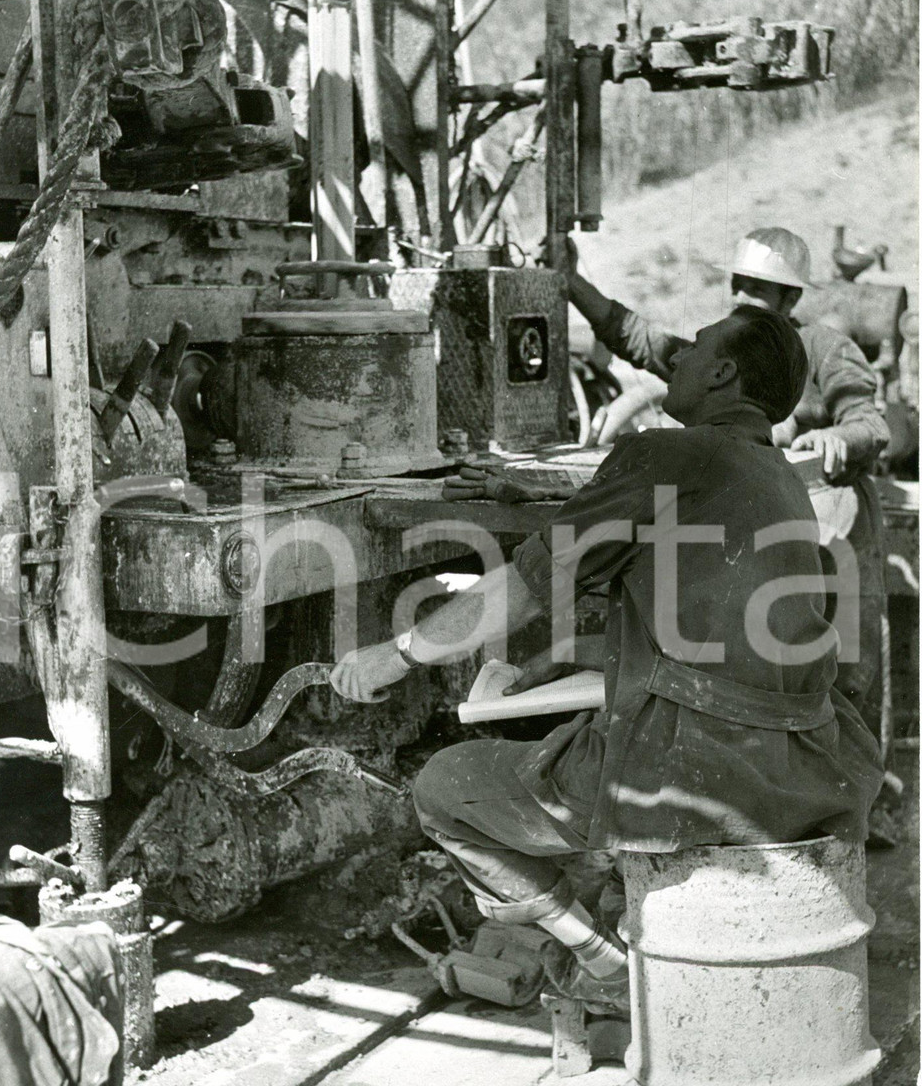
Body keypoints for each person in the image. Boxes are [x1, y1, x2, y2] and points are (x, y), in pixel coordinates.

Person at [330, 307, 884, 1010]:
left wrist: (399, 652)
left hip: (694, 770)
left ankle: (605, 963)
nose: (675, 361)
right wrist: (571, 654)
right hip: (799, 765)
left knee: (443, 788)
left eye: (692, 349)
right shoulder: (776, 473)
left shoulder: (667, 453)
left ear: (721, 373)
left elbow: (529, 587)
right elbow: (706, 626)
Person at [566, 227, 897, 843]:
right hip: (757, 530)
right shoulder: (727, 353)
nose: (745, 297)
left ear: (791, 298)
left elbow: (871, 422)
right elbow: (640, 338)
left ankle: (860, 804)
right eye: (739, 285)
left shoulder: (825, 348)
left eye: (762, 290)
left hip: (831, 524)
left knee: (844, 669)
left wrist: (837, 438)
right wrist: (570, 283)